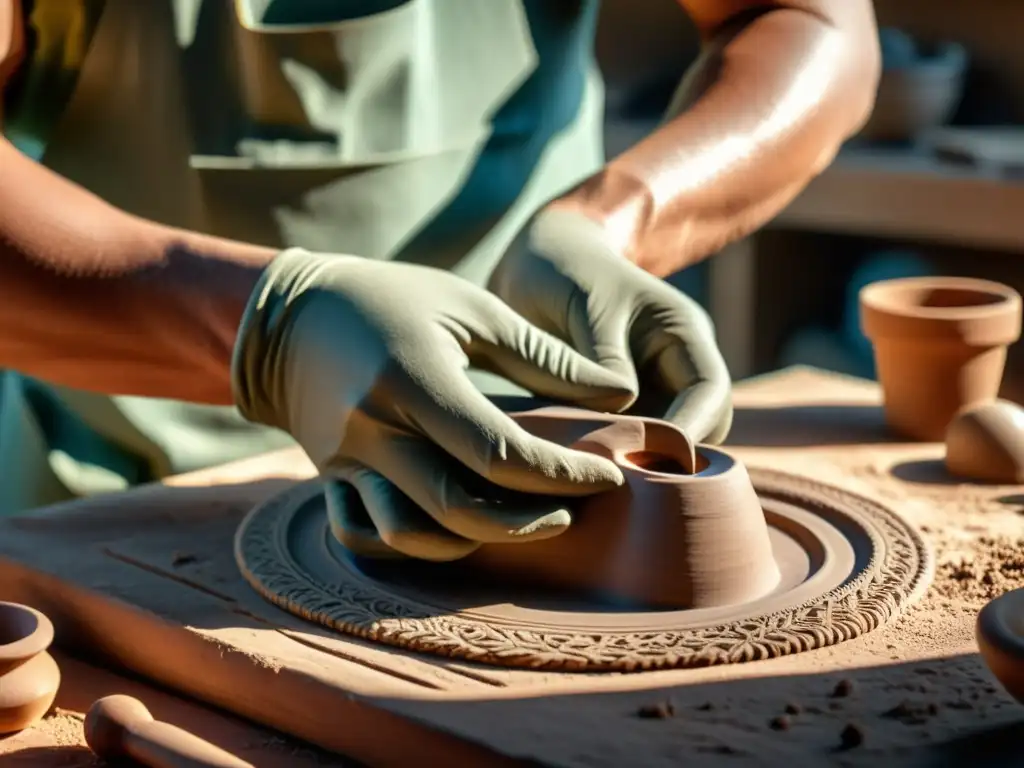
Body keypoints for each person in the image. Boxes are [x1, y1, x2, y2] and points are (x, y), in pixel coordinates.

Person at [0, 0, 879, 560]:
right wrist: (271, 331)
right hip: (116, 491)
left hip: (530, 466)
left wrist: (616, 220)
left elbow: (811, 19)